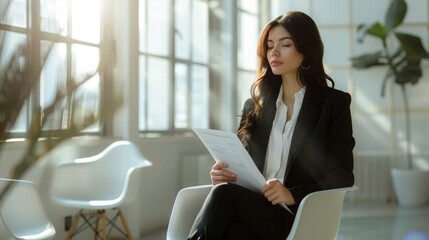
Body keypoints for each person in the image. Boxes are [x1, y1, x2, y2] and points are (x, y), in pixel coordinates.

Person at [188, 11, 355, 240]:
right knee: (234, 230)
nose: (274, 52)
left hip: (297, 217)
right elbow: (244, 164)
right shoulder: (255, 106)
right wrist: (225, 173)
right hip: (252, 210)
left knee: (224, 196)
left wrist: (291, 194)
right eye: (269, 46)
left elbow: (342, 176)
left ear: (306, 50)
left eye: (285, 44)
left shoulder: (333, 104)